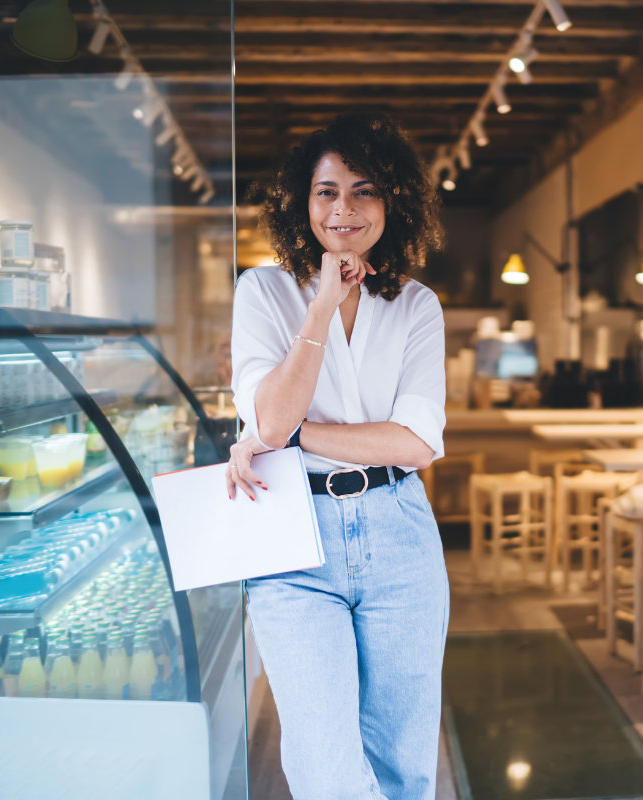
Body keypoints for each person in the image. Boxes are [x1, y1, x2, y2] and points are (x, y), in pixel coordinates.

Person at [224, 113, 449, 800]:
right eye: (327, 191)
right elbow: (269, 413)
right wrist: (321, 306)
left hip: (399, 532)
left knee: (404, 767)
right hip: (294, 540)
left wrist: (287, 434)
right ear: (303, 201)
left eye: (364, 190)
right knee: (324, 770)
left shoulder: (417, 306)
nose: (344, 208)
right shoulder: (264, 292)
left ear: (393, 203)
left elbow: (415, 443)